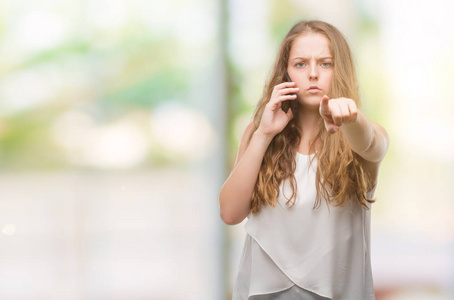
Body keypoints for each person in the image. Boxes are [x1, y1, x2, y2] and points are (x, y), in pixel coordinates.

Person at [218, 20, 390, 300]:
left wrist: (351, 117)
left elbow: (371, 142)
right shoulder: (258, 134)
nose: (312, 74)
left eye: (325, 63)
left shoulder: (361, 137)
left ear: (340, 69)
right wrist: (263, 134)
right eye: (300, 64)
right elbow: (230, 213)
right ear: (285, 72)